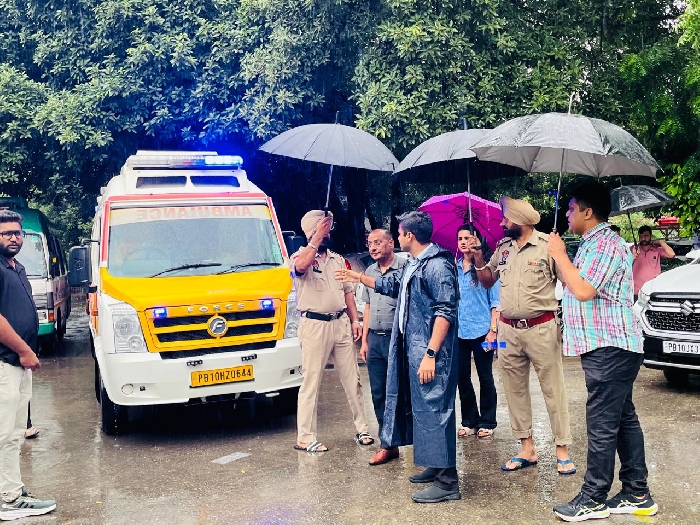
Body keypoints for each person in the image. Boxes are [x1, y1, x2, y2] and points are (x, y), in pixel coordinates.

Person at [548, 181, 658, 522]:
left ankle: (593, 497)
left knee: (601, 425)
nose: (567, 214)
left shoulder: (606, 244)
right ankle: (637, 493)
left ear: (587, 212)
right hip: (606, 346)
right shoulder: (591, 245)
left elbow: (583, 290)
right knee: (622, 419)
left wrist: (560, 255)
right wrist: (561, 259)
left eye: (571, 208)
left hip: (610, 347)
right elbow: (575, 285)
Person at [336, 211, 460, 504]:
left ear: (409, 236)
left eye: (400, 233)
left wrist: (431, 354)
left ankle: (448, 482)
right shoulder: (415, 263)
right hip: (413, 349)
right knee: (422, 408)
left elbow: (446, 311)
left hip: (431, 352)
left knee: (435, 409)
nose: (398, 237)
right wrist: (358, 277)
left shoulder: (438, 265)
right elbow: (392, 286)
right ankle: (436, 465)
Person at [468, 197, 575, 474]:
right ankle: (527, 448)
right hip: (507, 331)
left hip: (542, 327)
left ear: (520, 221)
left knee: (553, 389)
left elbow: (569, 283)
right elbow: (487, 280)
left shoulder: (548, 245)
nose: (502, 223)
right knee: (514, 390)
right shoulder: (503, 249)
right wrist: (477, 257)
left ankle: (562, 449)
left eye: (506, 218)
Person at [291, 210, 373, 453]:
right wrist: (317, 237)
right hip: (314, 325)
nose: (328, 233)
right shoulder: (300, 256)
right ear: (311, 231)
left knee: (353, 379)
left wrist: (355, 320)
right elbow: (301, 267)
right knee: (311, 382)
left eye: (328, 229)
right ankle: (305, 437)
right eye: (323, 229)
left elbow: (348, 293)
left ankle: (362, 429)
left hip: (341, 323)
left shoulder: (337, 260)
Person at [0, 210, 56, 520]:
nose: (14, 238)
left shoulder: (16, 267)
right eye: (6, 233)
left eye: (17, 233)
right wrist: (23, 350)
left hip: (18, 365)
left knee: (14, 433)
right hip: (5, 362)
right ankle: (7, 499)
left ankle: (12, 491)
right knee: (3, 433)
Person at [360, 229, 406, 466]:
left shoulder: (405, 268)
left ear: (391, 242)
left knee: (402, 392)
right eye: (370, 244)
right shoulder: (369, 271)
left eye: (378, 242)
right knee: (378, 393)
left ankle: (414, 441)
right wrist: (364, 340)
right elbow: (367, 307)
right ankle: (388, 445)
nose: (373, 248)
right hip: (375, 340)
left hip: (398, 339)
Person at [455, 224, 500, 439]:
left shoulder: (486, 269)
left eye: (468, 238)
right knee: (462, 378)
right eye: (460, 239)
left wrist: (493, 332)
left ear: (477, 241)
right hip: (459, 333)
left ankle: (488, 421)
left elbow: (496, 303)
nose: (464, 242)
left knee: (485, 377)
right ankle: (469, 421)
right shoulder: (454, 268)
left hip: (483, 331)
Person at [631, 225, 674, 296]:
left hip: (653, 290)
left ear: (651, 236)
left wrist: (661, 242)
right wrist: (632, 257)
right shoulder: (633, 249)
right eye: (641, 236)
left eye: (646, 236)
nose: (643, 239)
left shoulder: (657, 249)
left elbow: (672, 254)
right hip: (635, 291)